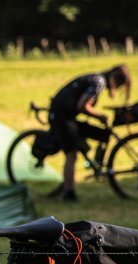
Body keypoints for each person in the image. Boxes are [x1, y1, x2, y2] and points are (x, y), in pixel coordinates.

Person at [49, 64, 131, 202]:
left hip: (66, 115)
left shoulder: (96, 78)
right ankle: (69, 193)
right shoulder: (99, 82)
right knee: (72, 154)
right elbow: (82, 105)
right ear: (115, 79)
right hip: (62, 116)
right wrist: (100, 116)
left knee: (100, 134)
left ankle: (94, 166)